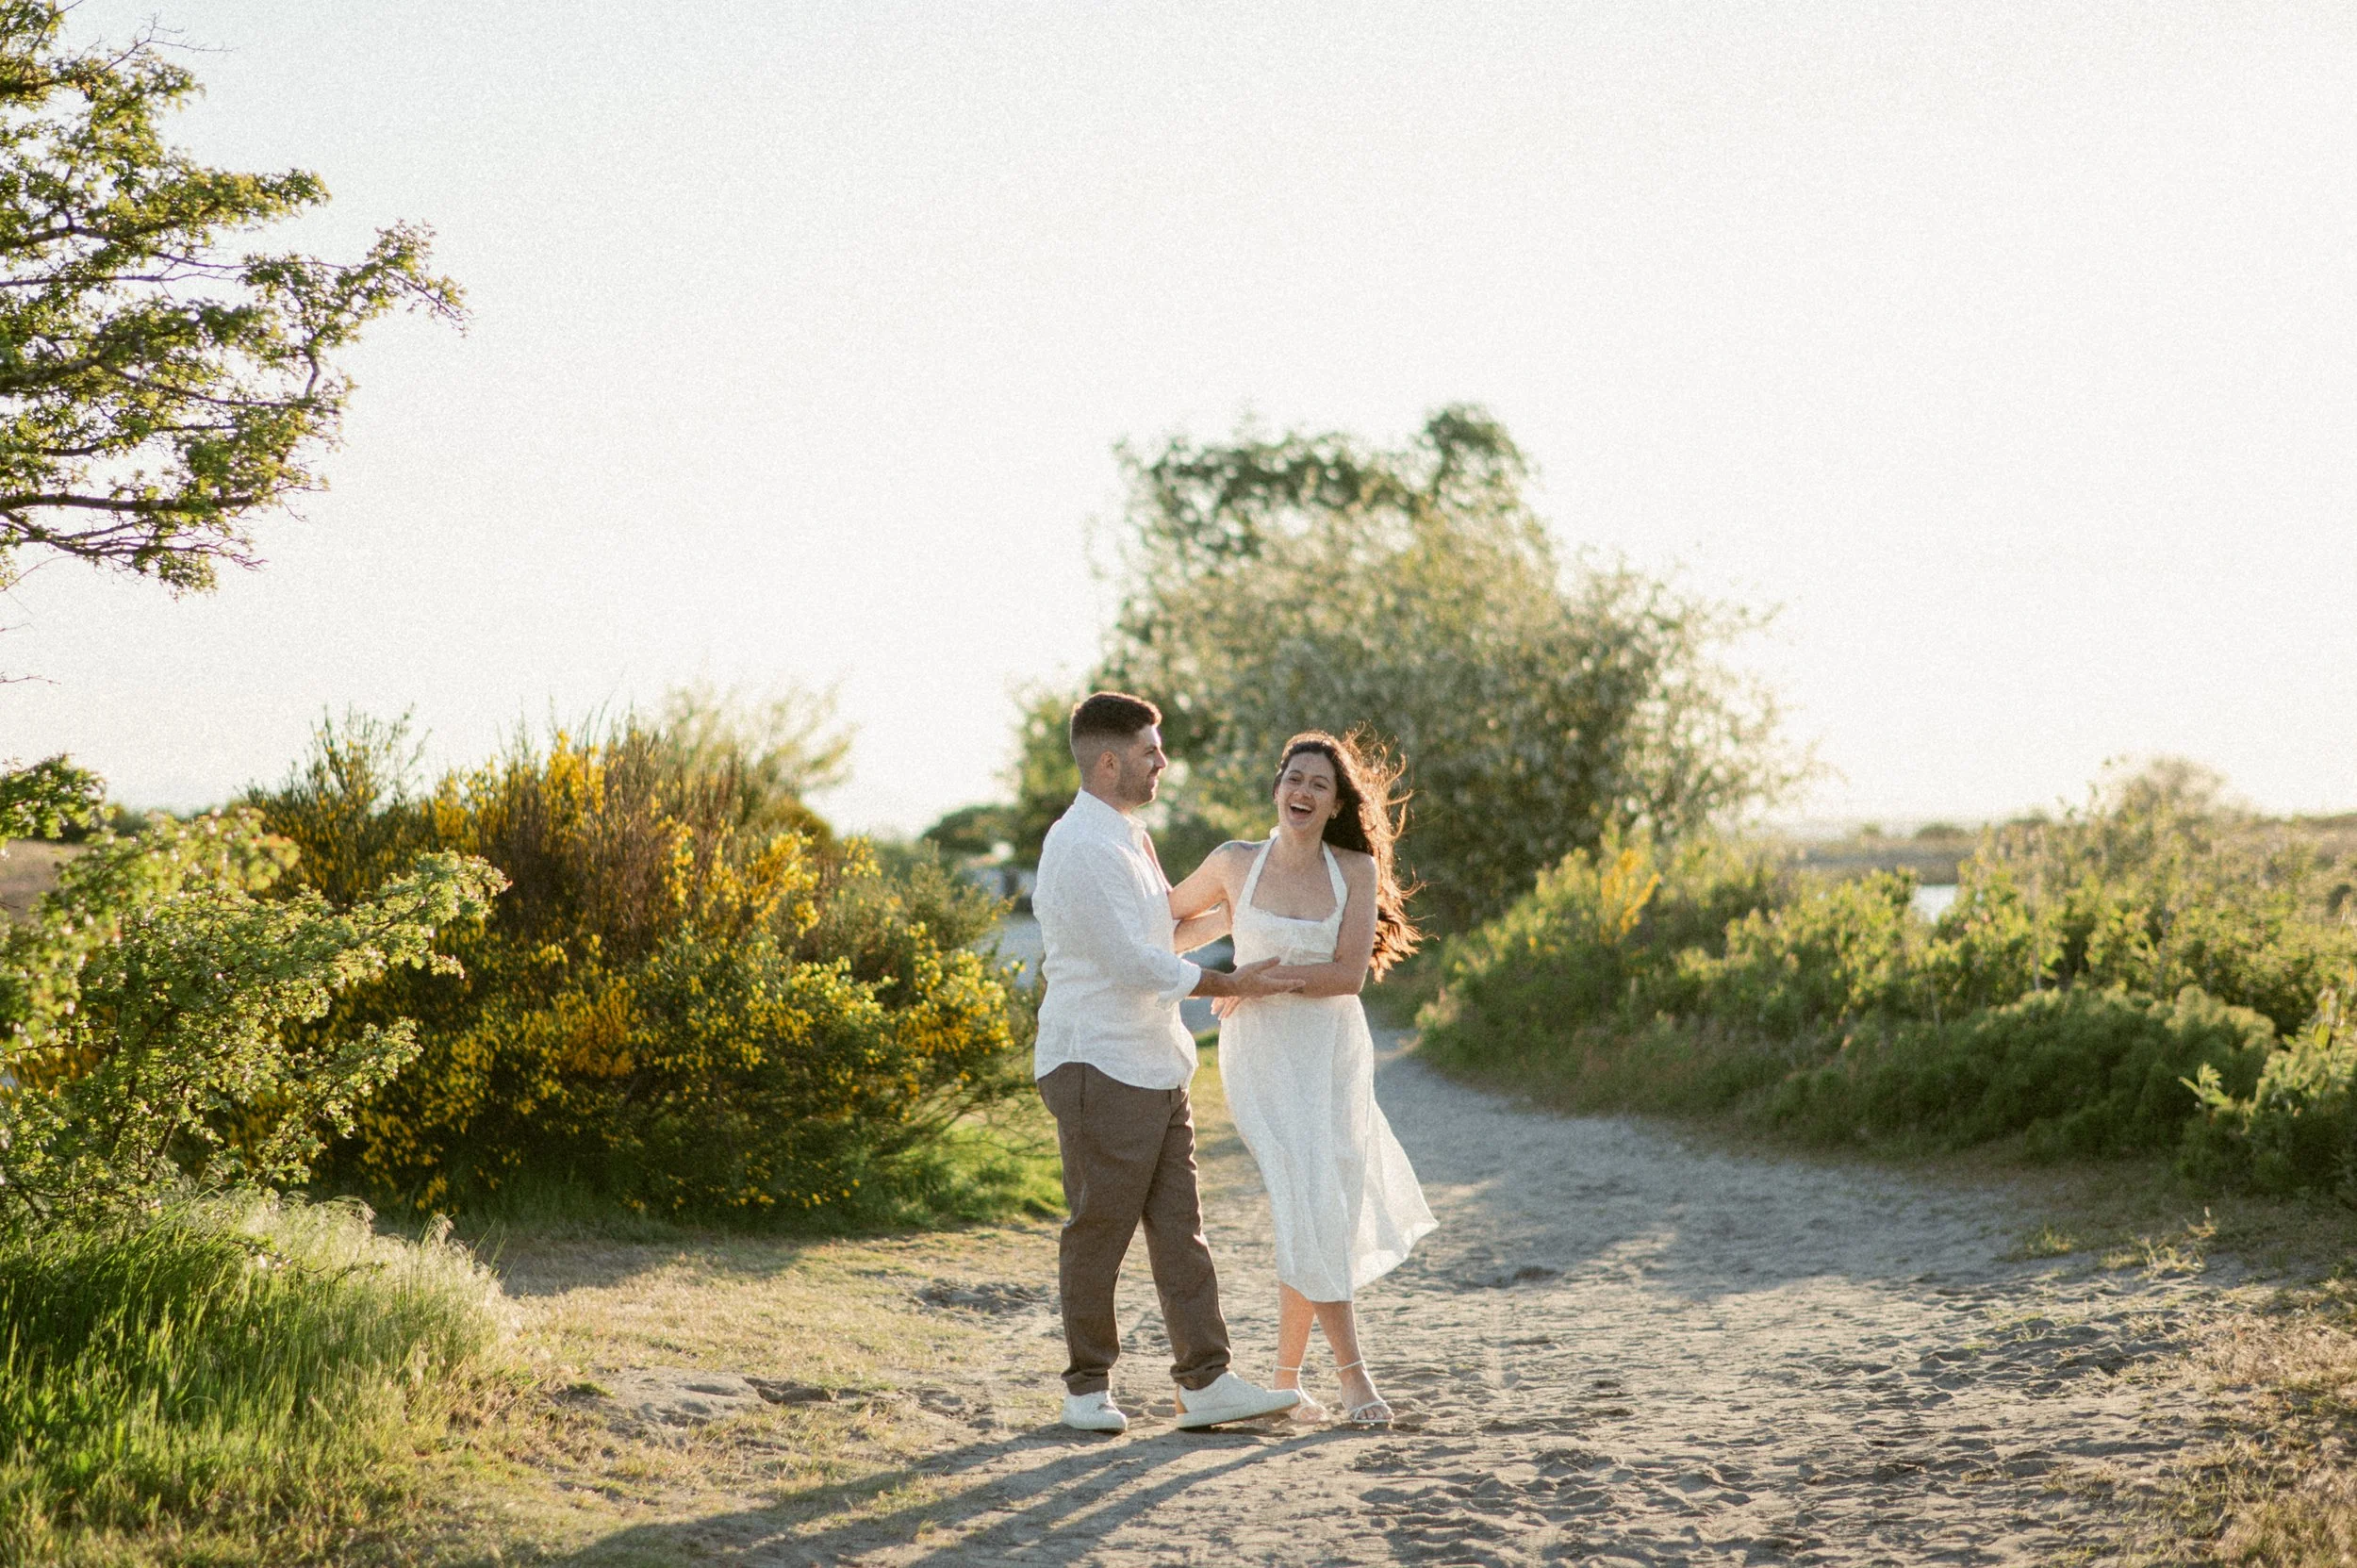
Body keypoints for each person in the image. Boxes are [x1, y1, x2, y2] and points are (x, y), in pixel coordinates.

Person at [1031, 691, 1308, 1434]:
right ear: (1111, 759)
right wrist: (1235, 983)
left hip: (1157, 1062)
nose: (1164, 761)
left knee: (1182, 1231)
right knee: (1099, 1231)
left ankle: (1205, 1382)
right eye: (1153, 749)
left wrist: (1249, 906)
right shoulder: (1079, 845)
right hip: (1098, 1063)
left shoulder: (1130, 835)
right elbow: (1130, 962)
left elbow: (1164, 935)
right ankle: (1086, 1389)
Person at [1165, 730, 1435, 1425]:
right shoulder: (1234, 863)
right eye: (1293, 778)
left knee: (1324, 1204)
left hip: (1334, 1051)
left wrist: (1256, 981)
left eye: (1318, 783)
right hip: (1260, 1055)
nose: (1302, 792)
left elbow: (1347, 975)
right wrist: (1220, 979)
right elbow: (1161, 921)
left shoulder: (1354, 869)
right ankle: (1354, 1375)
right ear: (1276, 787)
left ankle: (1285, 1379)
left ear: (1337, 800)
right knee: (1302, 1198)